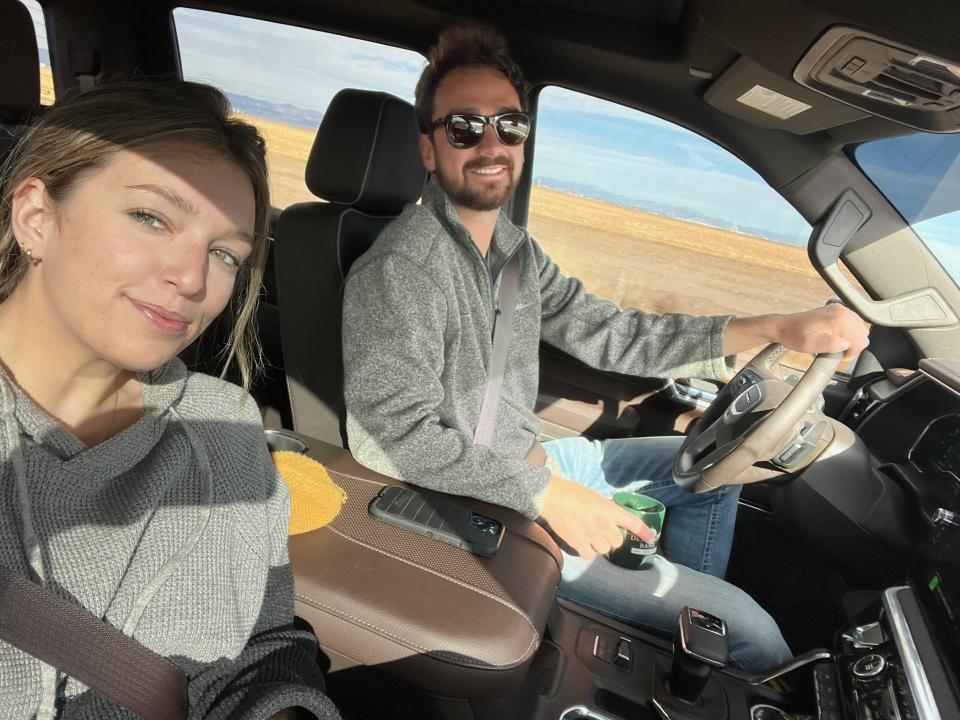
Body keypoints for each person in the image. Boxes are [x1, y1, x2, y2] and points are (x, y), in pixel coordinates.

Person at [341, 25, 868, 673]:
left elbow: (615, 334)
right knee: (750, 629)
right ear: (428, 149)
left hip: (543, 463)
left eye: (509, 125)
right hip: (481, 509)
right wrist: (547, 495)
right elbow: (387, 435)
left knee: (709, 473)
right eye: (463, 128)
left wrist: (776, 329)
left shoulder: (514, 253)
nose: (491, 144)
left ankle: (671, 638)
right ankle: (689, 623)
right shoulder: (400, 270)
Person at [0, 81, 342, 719]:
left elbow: (261, 643)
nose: (191, 279)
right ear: (35, 217)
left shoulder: (226, 427)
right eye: (152, 218)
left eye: (224, 254)